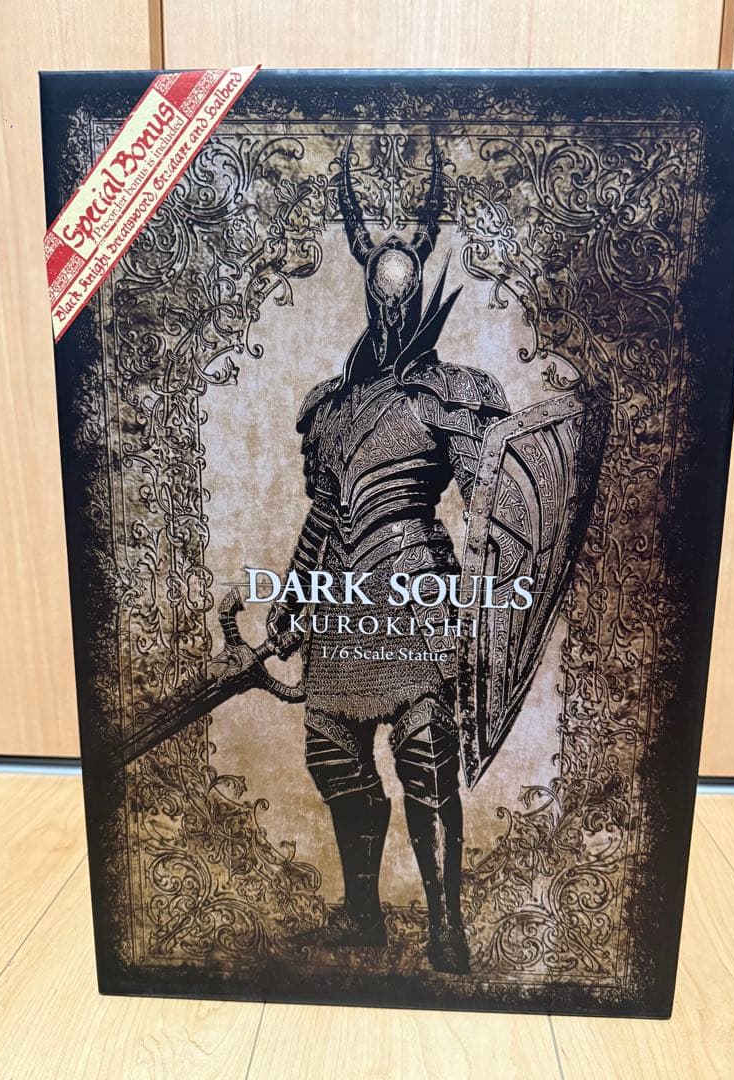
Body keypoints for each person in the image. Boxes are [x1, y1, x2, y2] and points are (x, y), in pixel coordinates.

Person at [221, 139, 510, 973]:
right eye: (380, 288)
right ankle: (361, 915)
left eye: (402, 287)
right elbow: (323, 517)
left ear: (416, 290)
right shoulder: (331, 408)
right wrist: (286, 613)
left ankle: (446, 928)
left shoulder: (450, 394)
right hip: (340, 612)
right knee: (332, 757)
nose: (390, 304)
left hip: (415, 596)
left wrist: (471, 610)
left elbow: (489, 507)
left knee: (425, 761)